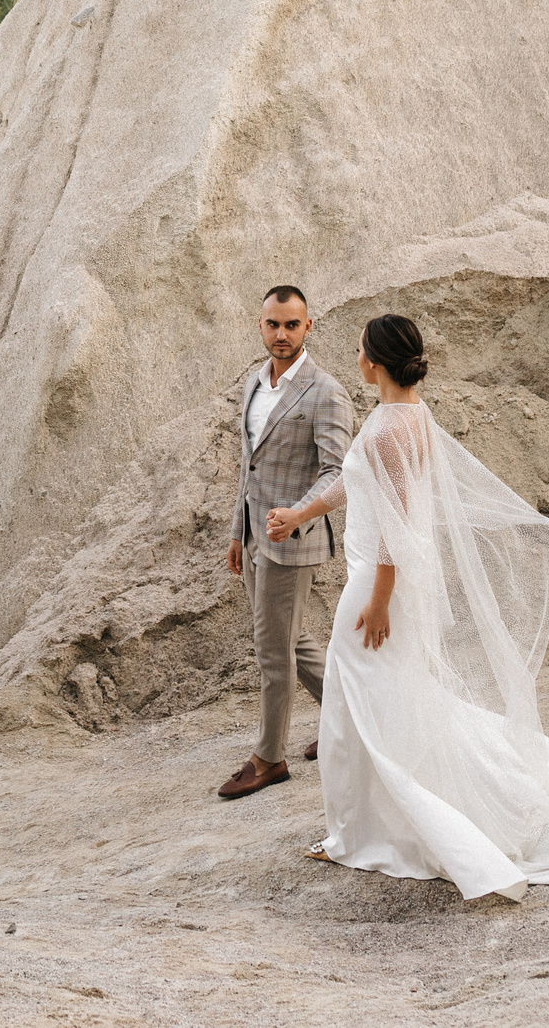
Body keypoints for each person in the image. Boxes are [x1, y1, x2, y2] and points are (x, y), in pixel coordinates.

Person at [264, 313, 549, 901]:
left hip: (377, 585)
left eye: (361, 349)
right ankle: (363, 826)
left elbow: (391, 523)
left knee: (354, 699)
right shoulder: (405, 415)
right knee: (390, 699)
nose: (356, 357)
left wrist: (381, 601)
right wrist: (302, 514)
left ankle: (362, 832)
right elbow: (359, 483)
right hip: (386, 581)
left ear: (376, 362)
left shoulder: (391, 428)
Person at [216, 285, 356, 799]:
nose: (281, 334)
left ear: (308, 326)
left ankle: (268, 758)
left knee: (273, 652)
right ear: (260, 324)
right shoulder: (255, 383)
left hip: (292, 541)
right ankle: (354, 723)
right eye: (273, 324)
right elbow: (248, 469)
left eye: (291, 325)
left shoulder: (326, 392)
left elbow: (337, 473)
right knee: (292, 641)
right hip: (254, 539)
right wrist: (238, 531)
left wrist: (297, 514)